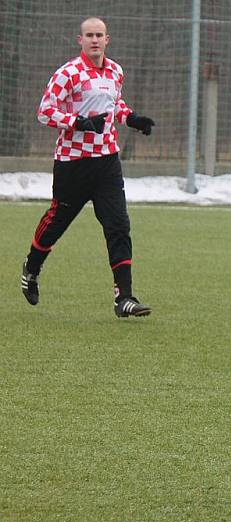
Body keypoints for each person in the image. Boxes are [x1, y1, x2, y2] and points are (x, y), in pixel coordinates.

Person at [21, 17, 155, 318]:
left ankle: (125, 299)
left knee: (118, 225)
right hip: (73, 164)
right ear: (79, 40)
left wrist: (131, 119)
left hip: (107, 162)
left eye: (99, 35)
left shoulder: (115, 71)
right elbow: (45, 112)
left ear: (107, 39)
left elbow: (113, 105)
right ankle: (31, 268)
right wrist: (78, 122)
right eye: (89, 35)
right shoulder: (68, 73)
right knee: (56, 222)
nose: (94, 40)